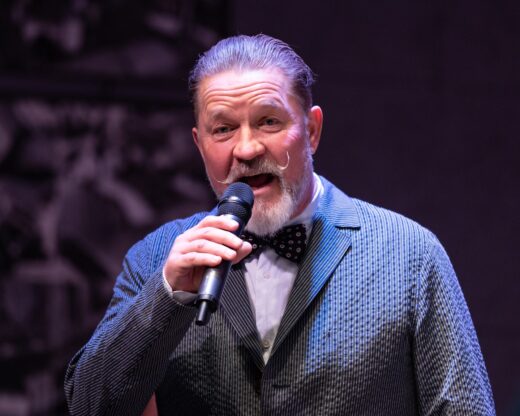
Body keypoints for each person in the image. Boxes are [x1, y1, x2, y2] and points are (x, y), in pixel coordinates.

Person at [64, 34, 495, 415]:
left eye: (269, 121)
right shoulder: (155, 259)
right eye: (223, 129)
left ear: (311, 130)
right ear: (199, 144)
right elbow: (90, 405)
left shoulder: (409, 254)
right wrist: (166, 297)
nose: (247, 149)